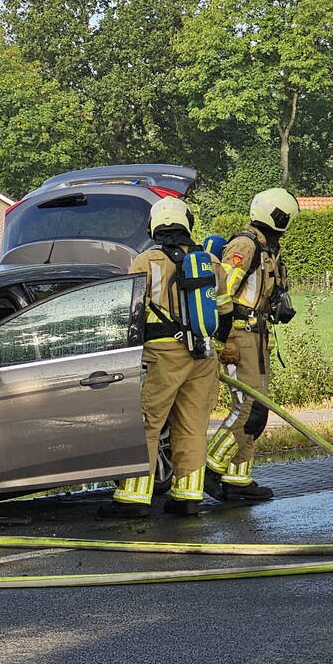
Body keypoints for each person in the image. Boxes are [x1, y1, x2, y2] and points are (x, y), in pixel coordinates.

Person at [99, 197, 234, 518]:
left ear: (154, 225)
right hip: (203, 355)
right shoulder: (210, 262)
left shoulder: (146, 261)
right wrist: (217, 346)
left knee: (147, 423)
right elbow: (226, 313)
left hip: (162, 354)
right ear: (187, 224)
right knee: (192, 425)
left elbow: (128, 311)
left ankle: (133, 499)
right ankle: (187, 496)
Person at [204, 187, 299, 502]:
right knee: (250, 407)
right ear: (276, 216)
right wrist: (235, 324)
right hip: (239, 335)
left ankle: (237, 479)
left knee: (256, 410)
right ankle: (211, 466)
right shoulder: (244, 245)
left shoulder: (268, 248)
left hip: (257, 336)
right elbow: (224, 292)